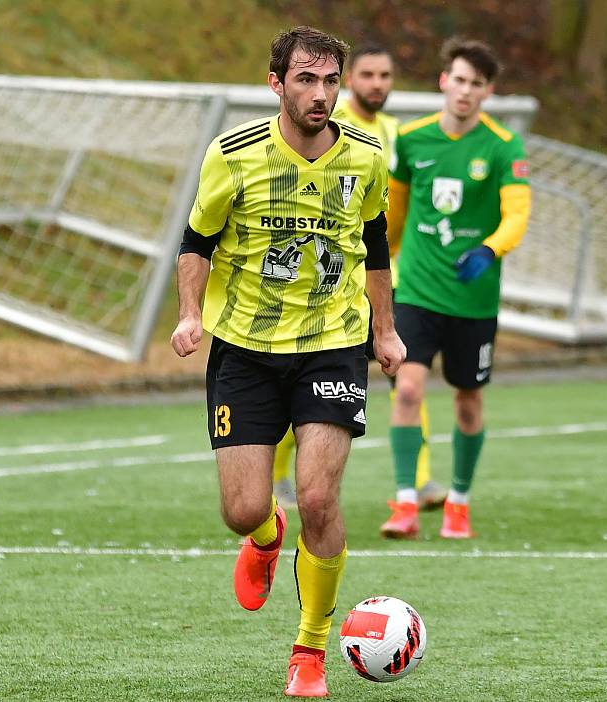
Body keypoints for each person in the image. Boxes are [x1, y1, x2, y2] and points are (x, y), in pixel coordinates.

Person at [170, 26, 405, 698]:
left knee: (320, 497)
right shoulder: (234, 153)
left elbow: (373, 245)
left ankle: (310, 652)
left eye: (331, 81)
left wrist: (383, 333)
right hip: (244, 347)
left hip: (333, 340)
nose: (321, 94)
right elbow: (197, 240)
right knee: (244, 510)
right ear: (276, 84)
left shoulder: (365, 154)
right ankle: (267, 537)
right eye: (306, 79)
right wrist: (191, 314)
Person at [273, 44, 447, 513]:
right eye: (367, 74)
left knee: (406, 374)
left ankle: (422, 479)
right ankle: (278, 475)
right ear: (350, 83)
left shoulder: (399, 135)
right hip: (329, 282)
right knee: (310, 384)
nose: (377, 84)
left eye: (386, 75)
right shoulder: (327, 128)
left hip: (389, 277)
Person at [380, 37, 531, 540]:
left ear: (489, 92)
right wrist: (375, 264)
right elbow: (396, 215)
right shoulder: (411, 139)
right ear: (444, 81)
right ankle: (404, 502)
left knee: (467, 401)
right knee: (407, 387)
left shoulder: (504, 146)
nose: (465, 91)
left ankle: (459, 503)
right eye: (459, 80)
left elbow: (517, 214)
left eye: (477, 84)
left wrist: (489, 249)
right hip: (417, 290)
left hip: (473, 299)